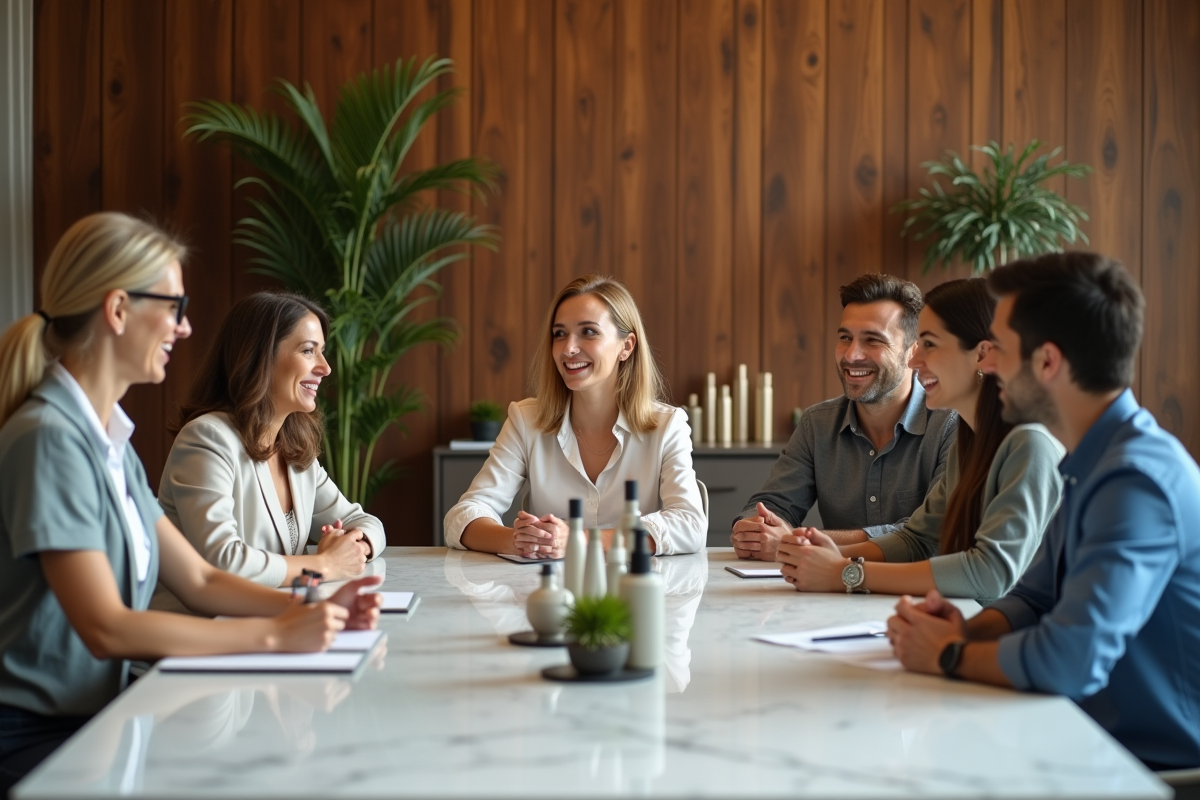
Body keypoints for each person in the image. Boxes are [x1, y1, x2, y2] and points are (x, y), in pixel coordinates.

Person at [0, 213, 382, 793]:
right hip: (36, 737)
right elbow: (107, 627)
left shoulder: (110, 443)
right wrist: (279, 635)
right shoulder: (51, 438)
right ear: (119, 309)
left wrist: (308, 610)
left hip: (90, 719)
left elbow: (201, 578)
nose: (184, 328)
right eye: (173, 307)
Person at [888, 252, 1200, 770]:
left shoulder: (1136, 481)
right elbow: (1033, 597)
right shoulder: (1093, 458)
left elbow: (1071, 659)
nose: (987, 365)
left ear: (1049, 362)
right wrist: (968, 630)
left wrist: (948, 655)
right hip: (1081, 736)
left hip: (1146, 767)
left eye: (1000, 350)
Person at [776, 278, 1064, 604]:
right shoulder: (970, 441)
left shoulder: (1030, 444)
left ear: (982, 354)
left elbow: (990, 574)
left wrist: (845, 573)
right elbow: (919, 539)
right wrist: (824, 553)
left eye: (930, 344)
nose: (913, 361)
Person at [444, 275, 706, 556]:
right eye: (559, 334)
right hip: (550, 594)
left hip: (637, 592)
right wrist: (520, 541)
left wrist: (578, 540)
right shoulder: (526, 420)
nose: (568, 348)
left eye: (588, 332)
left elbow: (689, 525)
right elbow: (462, 517)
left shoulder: (668, 425)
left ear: (626, 346)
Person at [156, 292, 384, 601]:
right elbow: (222, 561)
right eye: (308, 351)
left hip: (276, 621)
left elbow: (366, 523)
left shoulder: (295, 449)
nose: (325, 367)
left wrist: (354, 547)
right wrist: (323, 565)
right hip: (205, 630)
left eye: (322, 352)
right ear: (260, 357)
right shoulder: (206, 438)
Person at [732, 273, 957, 561]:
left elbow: (932, 535)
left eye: (873, 340)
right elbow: (774, 504)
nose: (852, 355)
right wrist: (754, 528)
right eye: (845, 338)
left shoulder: (951, 424)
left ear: (912, 351)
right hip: (831, 592)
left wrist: (798, 540)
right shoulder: (817, 423)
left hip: (921, 598)